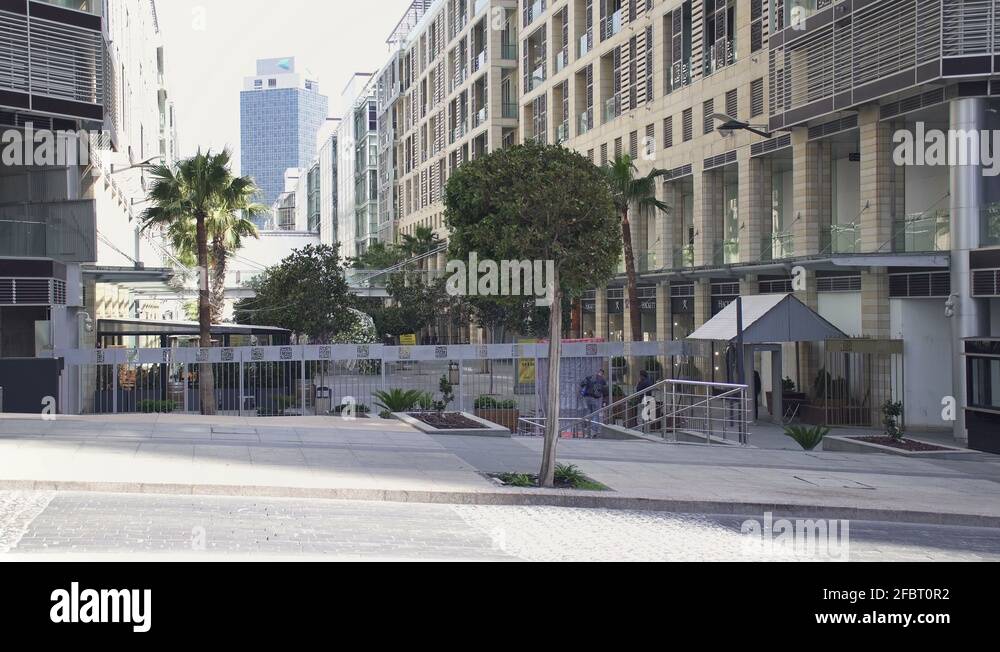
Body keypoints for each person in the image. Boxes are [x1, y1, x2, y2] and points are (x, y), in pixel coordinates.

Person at [580, 369, 610, 438]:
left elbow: (582, 384)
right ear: (602, 374)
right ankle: (593, 432)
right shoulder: (602, 380)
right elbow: (605, 391)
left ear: (597, 372)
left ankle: (586, 432)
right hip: (595, 399)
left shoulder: (590, 377)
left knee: (588, 414)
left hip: (586, 398)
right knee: (595, 415)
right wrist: (604, 401)